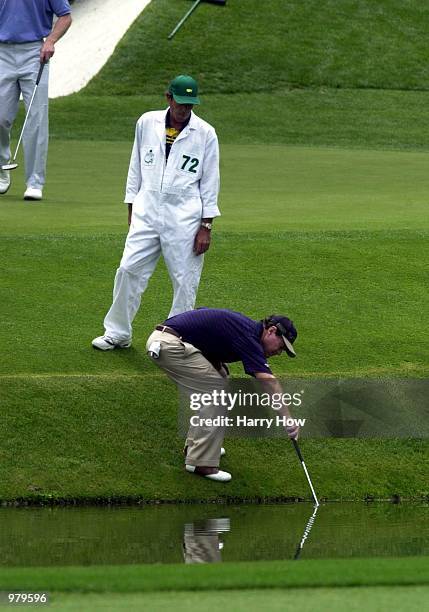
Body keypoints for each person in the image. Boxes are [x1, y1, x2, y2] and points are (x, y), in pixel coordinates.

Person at [92, 75, 220, 351]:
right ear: (168, 98)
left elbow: (210, 181)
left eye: (189, 104)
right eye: (180, 103)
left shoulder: (206, 133)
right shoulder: (146, 122)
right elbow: (135, 166)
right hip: (147, 208)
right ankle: (117, 333)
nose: (184, 109)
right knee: (128, 269)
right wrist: (131, 206)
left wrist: (206, 225)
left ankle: (173, 340)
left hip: (185, 215)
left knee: (185, 280)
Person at [146, 308, 299, 482]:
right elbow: (268, 381)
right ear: (271, 331)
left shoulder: (248, 331)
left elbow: (209, 337)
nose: (278, 352)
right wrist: (287, 419)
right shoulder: (249, 337)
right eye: (281, 346)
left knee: (220, 379)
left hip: (171, 341)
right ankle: (200, 463)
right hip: (168, 345)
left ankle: (197, 447)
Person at [0, 0, 72, 201]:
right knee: (1, 118)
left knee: (36, 119)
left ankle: (34, 183)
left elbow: (65, 16)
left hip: (34, 53)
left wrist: (50, 41)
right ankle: (1, 168)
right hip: (1, 52)